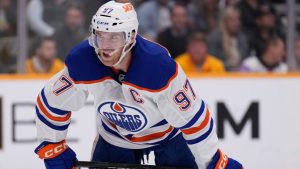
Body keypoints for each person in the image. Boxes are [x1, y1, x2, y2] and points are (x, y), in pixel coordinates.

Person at [34, 1, 243, 169]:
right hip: (114, 137)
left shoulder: (158, 67)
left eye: (114, 37)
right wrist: (53, 147)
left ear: (131, 37)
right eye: (99, 35)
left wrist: (214, 162)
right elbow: (51, 102)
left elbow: (194, 119)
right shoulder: (83, 60)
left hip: (168, 137)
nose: (104, 47)